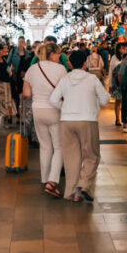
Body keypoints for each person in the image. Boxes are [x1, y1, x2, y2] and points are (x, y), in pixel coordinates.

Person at [49, 49, 109, 203]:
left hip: (67, 121)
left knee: (71, 159)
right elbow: (105, 99)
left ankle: (71, 193)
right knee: (91, 156)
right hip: (87, 120)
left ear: (70, 63)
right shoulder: (92, 79)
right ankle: (83, 185)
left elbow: (53, 99)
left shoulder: (65, 79)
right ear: (85, 63)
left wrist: (65, 107)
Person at [22, 43, 67, 196]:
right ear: (52, 54)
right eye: (58, 54)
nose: (59, 57)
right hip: (54, 110)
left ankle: (45, 178)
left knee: (45, 146)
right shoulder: (60, 69)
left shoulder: (32, 69)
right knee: (59, 147)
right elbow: (65, 91)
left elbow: (27, 94)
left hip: (37, 110)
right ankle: (52, 181)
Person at [109, 43, 127, 126]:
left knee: (125, 102)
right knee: (118, 101)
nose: (125, 50)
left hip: (125, 82)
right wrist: (110, 84)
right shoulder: (114, 58)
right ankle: (117, 119)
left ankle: (125, 120)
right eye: (123, 48)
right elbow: (111, 71)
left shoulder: (126, 58)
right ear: (119, 49)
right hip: (116, 83)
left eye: (125, 48)